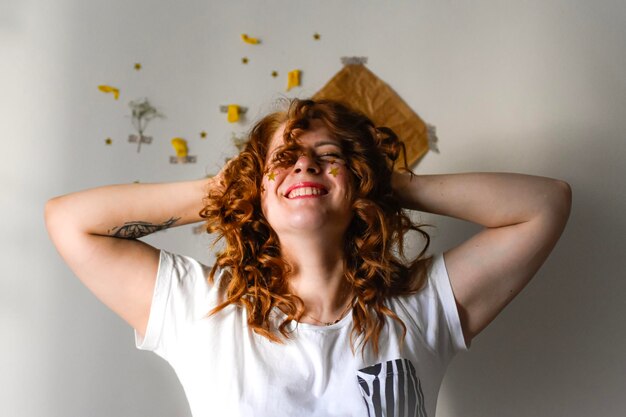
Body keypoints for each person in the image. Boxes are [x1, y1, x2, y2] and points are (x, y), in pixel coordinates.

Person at [45, 99, 571, 417]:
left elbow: (545, 205)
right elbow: (69, 221)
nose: (303, 168)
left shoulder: (421, 306)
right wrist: (232, 187)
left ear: (358, 182)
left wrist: (385, 183)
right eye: (284, 161)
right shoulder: (199, 307)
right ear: (258, 189)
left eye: (327, 158)